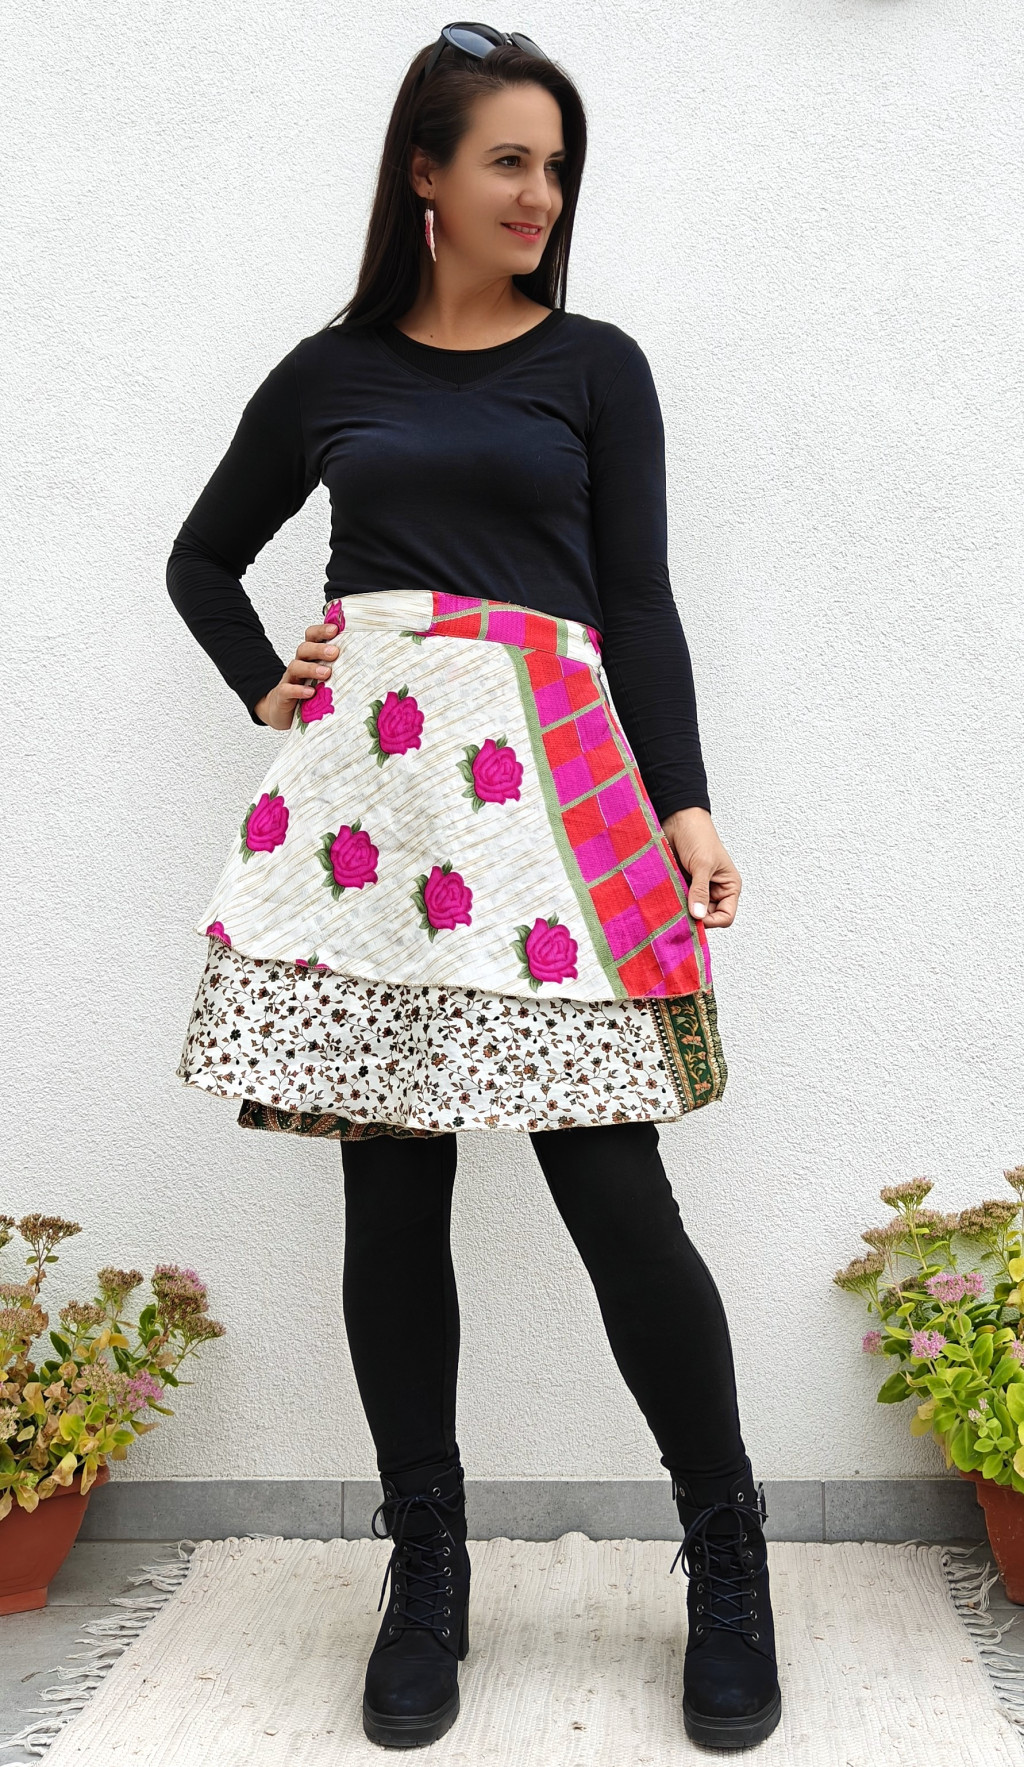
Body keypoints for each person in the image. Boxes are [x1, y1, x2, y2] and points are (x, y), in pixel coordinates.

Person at [166, 21, 781, 1754]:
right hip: (374, 819)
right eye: (510, 159)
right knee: (392, 1201)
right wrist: (265, 681)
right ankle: (426, 1570)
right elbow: (202, 557)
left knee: (616, 1192)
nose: (541, 193)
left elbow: (636, 602)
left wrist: (685, 807)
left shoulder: (595, 366)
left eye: (557, 165)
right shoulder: (330, 373)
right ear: (425, 174)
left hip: (555, 806)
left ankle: (728, 1555)